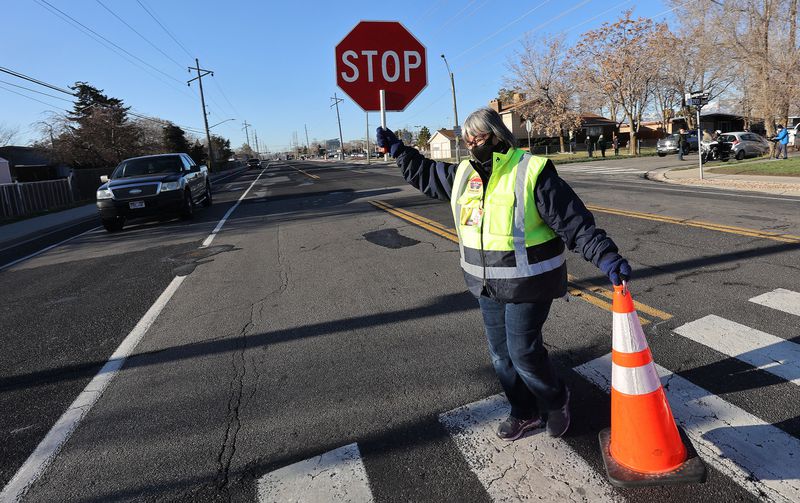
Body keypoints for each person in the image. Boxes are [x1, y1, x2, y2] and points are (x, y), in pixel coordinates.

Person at [375, 108, 631, 441]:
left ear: (498, 136)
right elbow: (425, 173)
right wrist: (399, 150)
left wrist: (607, 256)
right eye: (467, 139)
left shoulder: (531, 172)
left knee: (523, 352)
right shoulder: (464, 174)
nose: (471, 144)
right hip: (486, 284)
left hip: (530, 283)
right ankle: (523, 411)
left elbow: (574, 223)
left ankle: (556, 400)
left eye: (478, 137)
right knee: (500, 356)